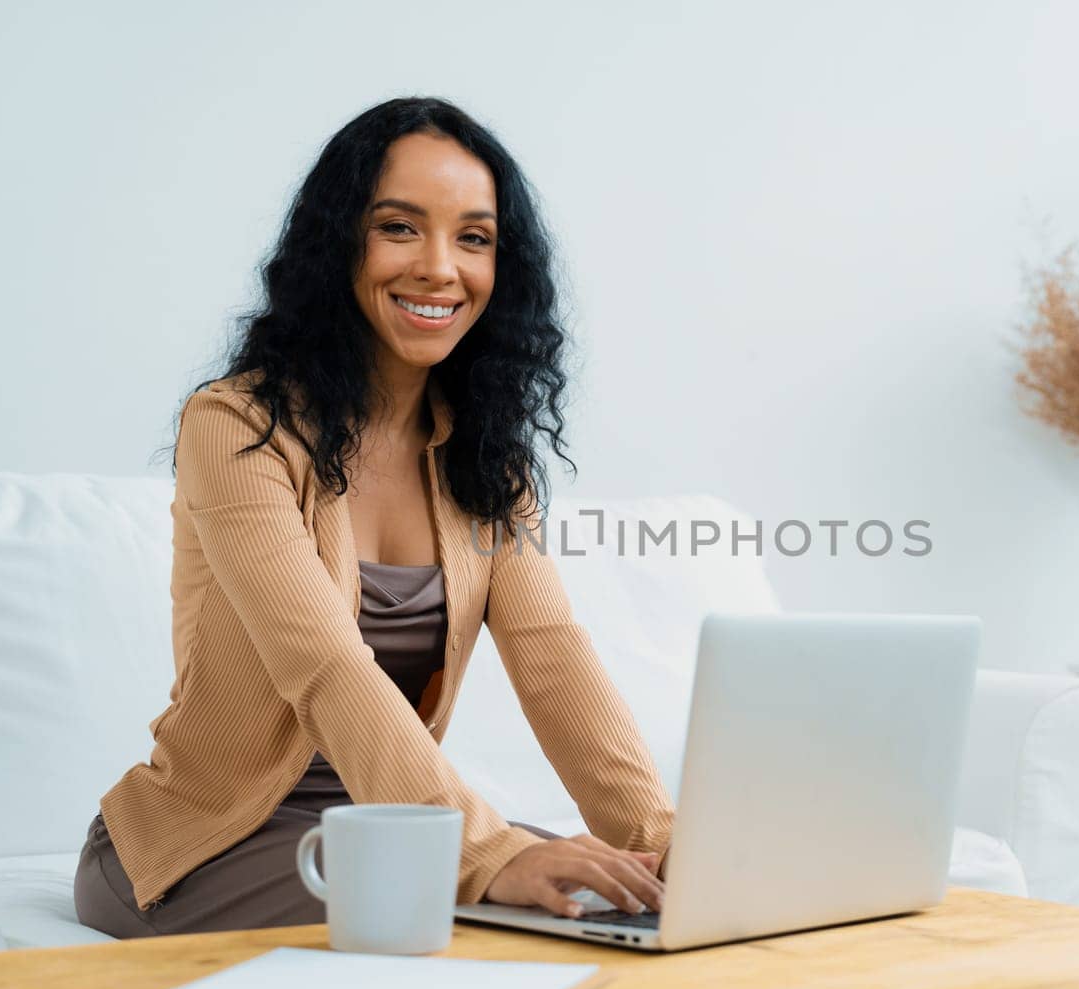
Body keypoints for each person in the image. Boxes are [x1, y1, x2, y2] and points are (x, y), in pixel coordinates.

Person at [73, 97, 673, 938]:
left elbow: (551, 657)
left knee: (616, 896)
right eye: (399, 227)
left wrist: (657, 838)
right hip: (207, 844)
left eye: (474, 238)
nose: (440, 267)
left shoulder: (487, 459)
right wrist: (485, 852)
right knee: (472, 910)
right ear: (339, 244)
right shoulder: (236, 426)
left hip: (394, 828)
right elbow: (321, 661)